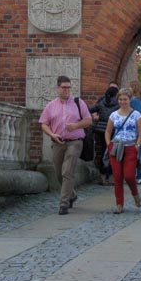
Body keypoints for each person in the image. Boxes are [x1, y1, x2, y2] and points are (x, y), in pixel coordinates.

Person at [38, 75, 93, 215]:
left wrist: (75, 126)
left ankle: (64, 203)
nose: (67, 90)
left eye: (69, 87)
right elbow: (44, 123)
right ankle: (72, 195)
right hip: (58, 142)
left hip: (75, 142)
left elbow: (88, 121)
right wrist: (52, 135)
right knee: (58, 173)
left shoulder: (78, 103)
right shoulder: (51, 106)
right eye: (64, 88)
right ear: (58, 88)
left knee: (67, 171)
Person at [104, 88, 141, 213]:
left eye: (125, 99)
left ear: (129, 100)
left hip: (130, 146)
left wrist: (138, 144)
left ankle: (135, 193)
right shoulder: (114, 115)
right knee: (117, 176)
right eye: (120, 99)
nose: (122, 102)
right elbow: (108, 131)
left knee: (129, 175)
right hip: (116, 147)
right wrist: (109, 144)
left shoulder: (136, 114)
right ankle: (119, 204)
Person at [90, 85, 120, 184]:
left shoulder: (101, 103)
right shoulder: (118, 104)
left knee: (100, 153)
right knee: (112, 154)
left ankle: (102, 178)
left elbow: (89, 110)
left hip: (99, 131)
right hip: (112, 132)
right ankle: (111, 178)